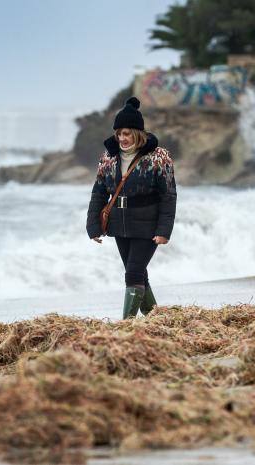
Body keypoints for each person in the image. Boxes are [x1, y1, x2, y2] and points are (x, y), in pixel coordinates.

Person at [86, 97, 177, 319]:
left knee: (133, 273)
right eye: (119, 133)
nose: (122, 138)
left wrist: (164, 231)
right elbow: (99, 192)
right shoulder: (108, 157)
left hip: (148, 224)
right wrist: (93, 226)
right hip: (119, 224)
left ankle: (126, 325)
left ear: (137, 132)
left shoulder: (158, 157)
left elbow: (168, 196)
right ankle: (157, 320)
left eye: (127, 133)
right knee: (137, 274)